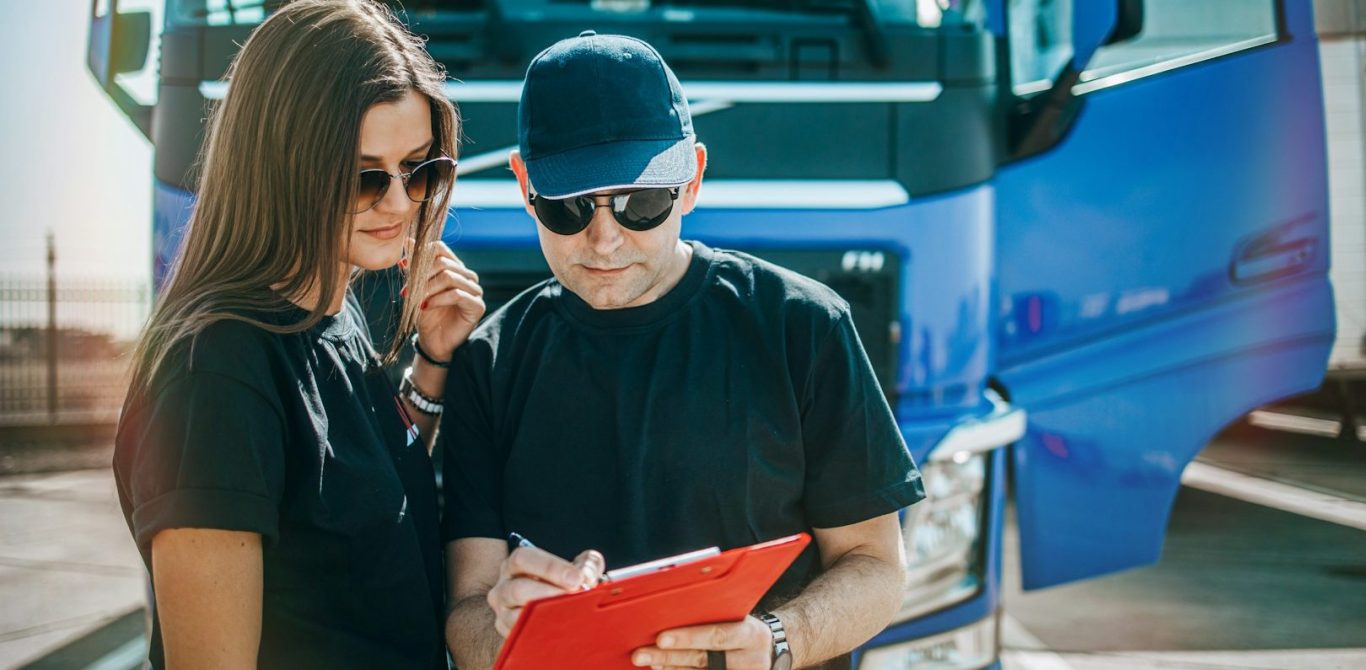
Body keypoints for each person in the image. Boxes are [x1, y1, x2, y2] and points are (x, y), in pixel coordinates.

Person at [441, 31, 925, 670]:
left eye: (640, 203)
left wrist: (774, 643)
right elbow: (467, 608)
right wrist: (513, 636)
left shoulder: (803, 326)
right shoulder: (490, 360)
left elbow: (876, 563)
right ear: (523, 185)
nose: (604, 239)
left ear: (691, 179)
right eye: (569, 208)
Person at [112, 1, 484, 667]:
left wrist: (433, 361)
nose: (400, 203)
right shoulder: (215, 374)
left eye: (420, 169)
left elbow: (356, 499)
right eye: (364, 177)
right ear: (280, 166)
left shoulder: (333, 313)